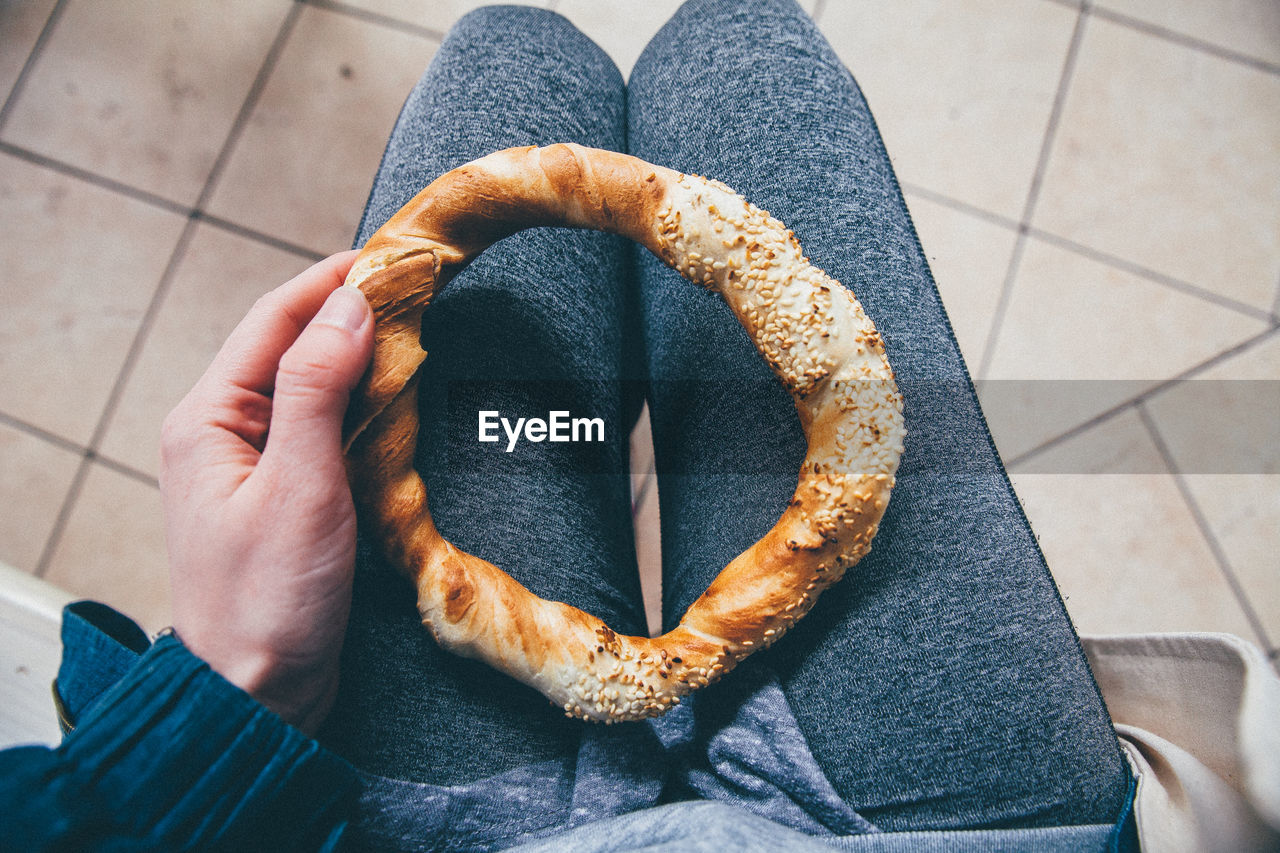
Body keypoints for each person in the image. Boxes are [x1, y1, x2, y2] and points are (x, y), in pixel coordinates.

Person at [0, 1, 1138, 849]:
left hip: (367, 813)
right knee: (727, 45)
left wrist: (240, 686)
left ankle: (598, 432)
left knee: (514, 74)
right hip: (934, 833)